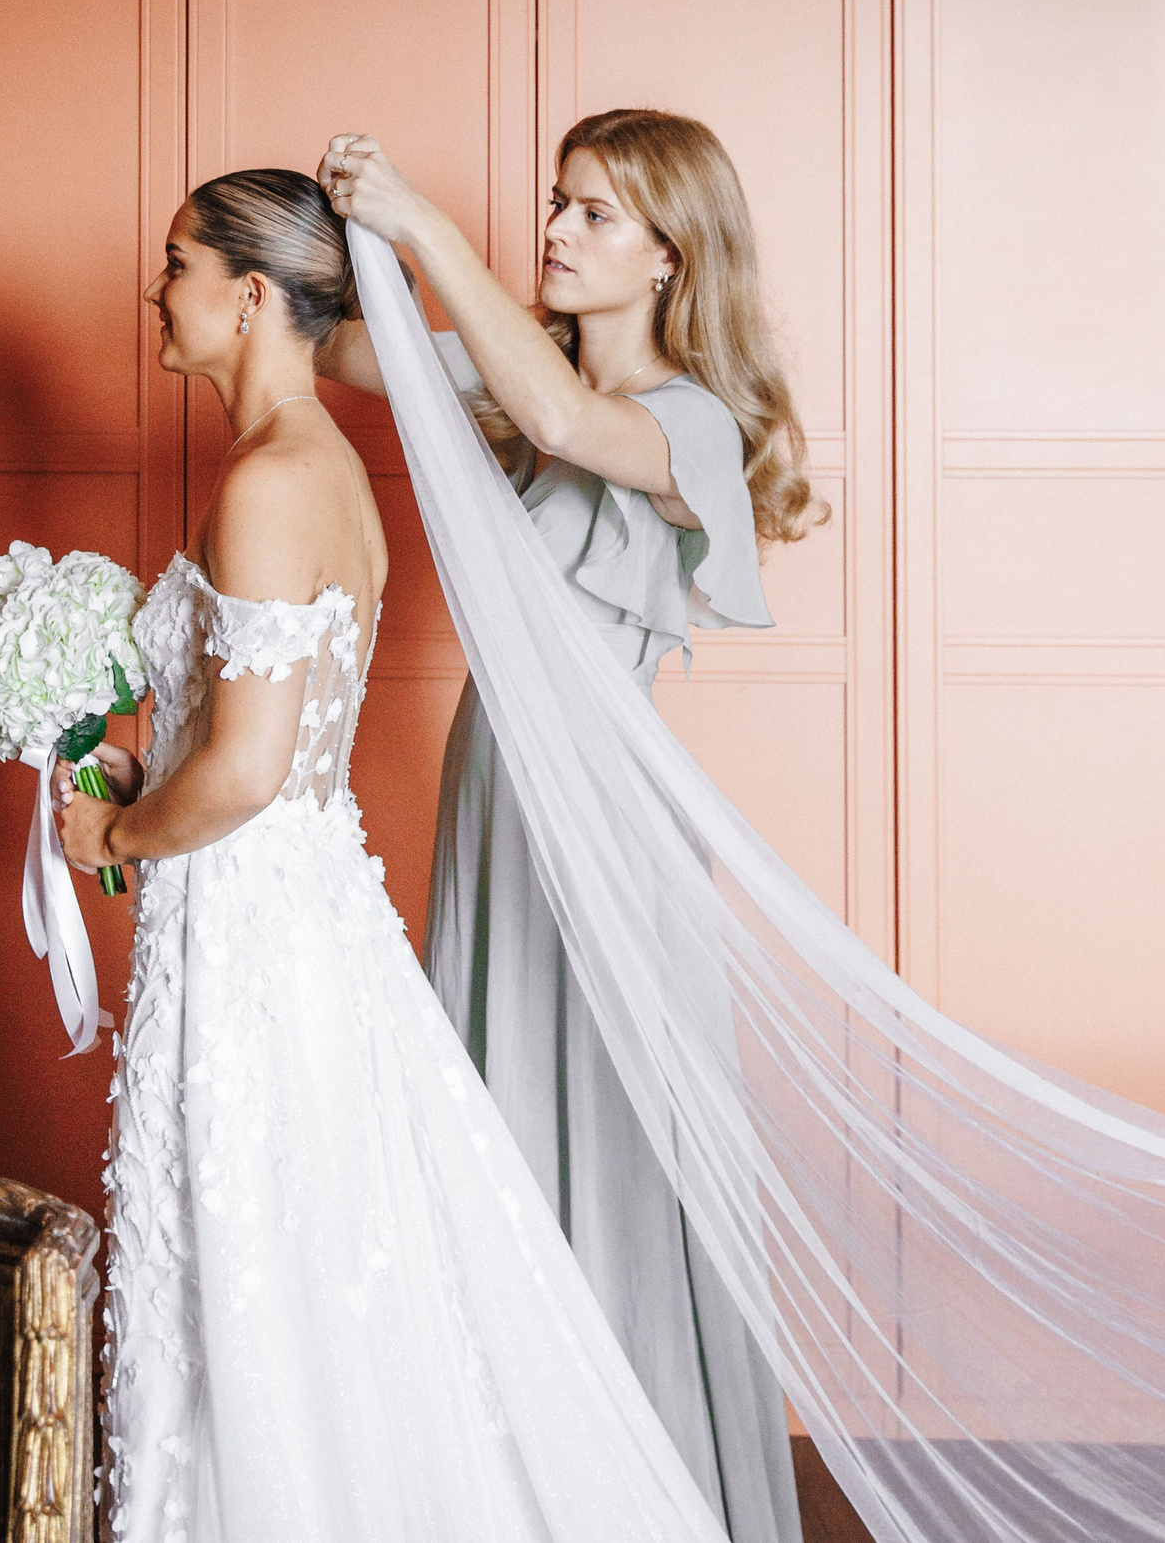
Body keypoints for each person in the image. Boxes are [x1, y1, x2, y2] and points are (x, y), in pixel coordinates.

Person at [54, 167, 731, 1542]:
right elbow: (267, 743)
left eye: (177, 264)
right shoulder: (316, 467)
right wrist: (145, 771)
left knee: (262, 1257)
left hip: (263, 922)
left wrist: (117, 831)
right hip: (289, 905)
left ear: (248, 297)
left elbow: (247, 771)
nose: (152, 291)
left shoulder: (273, 481)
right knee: (308, 1253)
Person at [315, 112, 823, 1543]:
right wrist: (299, 236)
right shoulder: (515, 379)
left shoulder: (691, 426)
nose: (555, 231)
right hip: (499, 800)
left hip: (599, 824)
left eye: (595, 215)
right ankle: (513, 1484)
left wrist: (420, 222)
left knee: (604, 1143)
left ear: (671, 256)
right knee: (496, 1129)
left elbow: (557, 419)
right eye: (558, 202)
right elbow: (354, 352)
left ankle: (637, 1489)